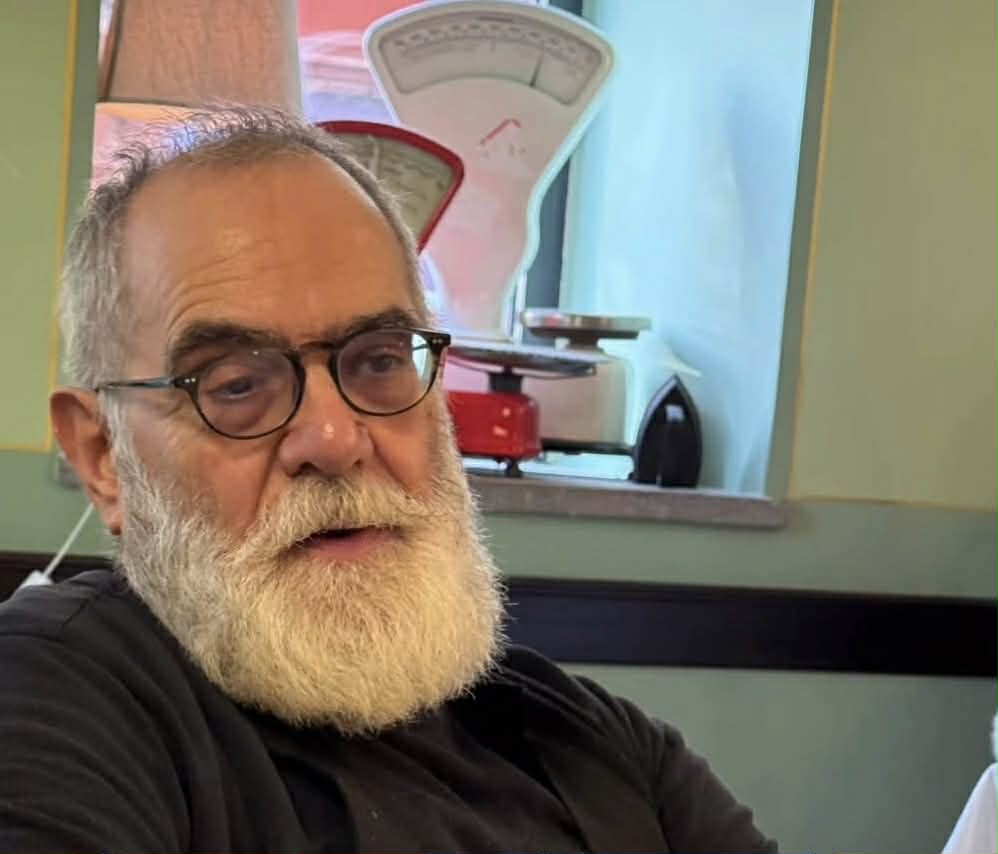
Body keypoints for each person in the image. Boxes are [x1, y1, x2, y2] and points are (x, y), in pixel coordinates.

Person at [0, 106, 776, 853]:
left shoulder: (603, 749)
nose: (335, 440)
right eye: (235, 384)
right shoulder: (51, 701)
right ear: (102, 457)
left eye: (378, 361)